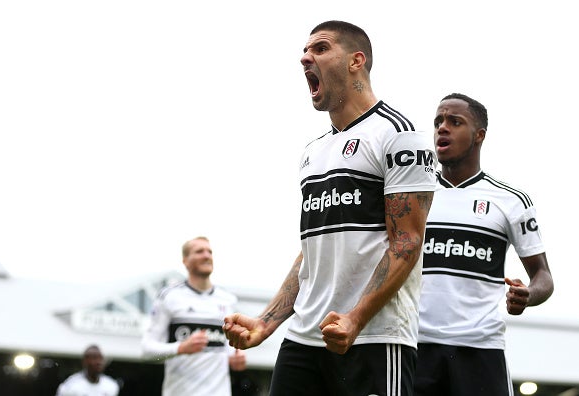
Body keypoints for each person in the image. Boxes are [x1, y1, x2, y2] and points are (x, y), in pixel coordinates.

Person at [223, 20, 436, 396]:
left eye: (320, 49)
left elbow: (406, 242)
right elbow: (311, 254)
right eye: (305, 51)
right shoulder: (313, 152)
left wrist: (355, 319)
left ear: (357, 61)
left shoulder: (398, 134)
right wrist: (266, 323)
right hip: (305, 338)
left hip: (373, 338)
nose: (306, 57)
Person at [414, 93, 554, 396]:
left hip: (479, 348)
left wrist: (527, 295)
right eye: (438, 121)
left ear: (479, 135)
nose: (442, 128)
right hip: (416, 346)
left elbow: (543, 276)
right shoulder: (412, 196)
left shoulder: (511, 201)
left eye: (454, 121)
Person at [141, 236, 246, 396]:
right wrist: (181, 348)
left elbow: (228, 350)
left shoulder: (228, 299)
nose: (206, 255)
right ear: (185, 261)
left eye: (209, 251)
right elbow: (147, 351)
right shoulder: (169, 296)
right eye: (199, 251)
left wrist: (237, 358)